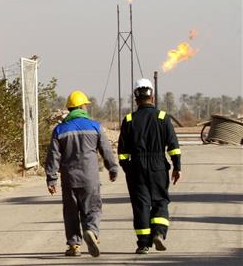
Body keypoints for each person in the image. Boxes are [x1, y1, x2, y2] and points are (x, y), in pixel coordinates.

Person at [45, 90, 118, 257]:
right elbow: (106, 150)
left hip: (69, 179)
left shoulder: (60, 129)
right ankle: (91, 231)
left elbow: (53, 156)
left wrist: (51, 179)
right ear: (81, 106)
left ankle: (74, 246)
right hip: (90, 178)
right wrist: (112, 168)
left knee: (71, 212)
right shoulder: (95, 126)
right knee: (93, 208)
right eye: (85, 105)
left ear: (70, 108)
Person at [118, 78, 181, 254]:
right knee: (160, 201)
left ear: (136, 98)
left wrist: (129, 169)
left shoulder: (129, 119)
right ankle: (158, 233)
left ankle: (143, 244)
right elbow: (173, 146)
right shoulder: (163, 117)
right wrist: (177, 167)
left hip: (136, 167)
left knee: (141, 205)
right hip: (158, 166)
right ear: (152, 97)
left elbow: (122, 153)